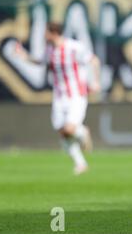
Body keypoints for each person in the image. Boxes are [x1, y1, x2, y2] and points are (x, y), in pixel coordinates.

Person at [15, 22, 101, 175]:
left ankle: (82, 132)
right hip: (59, 97)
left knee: (69, 129)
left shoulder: (74, 47)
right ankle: (81, 163)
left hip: (76, 95)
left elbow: (94, 61)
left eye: (45, 33)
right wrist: (23, 56)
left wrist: (95, 81)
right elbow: (40, 62)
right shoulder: (49, 50)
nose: (43, 36)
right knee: (63, 133)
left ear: (53, 33)